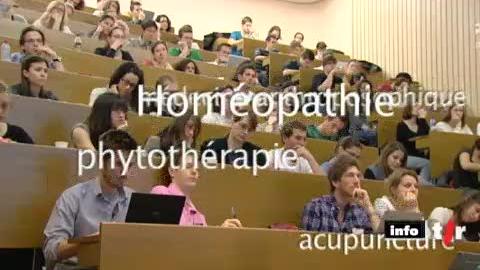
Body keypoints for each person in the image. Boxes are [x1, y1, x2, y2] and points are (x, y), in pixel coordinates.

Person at [43, 130, 137, 269]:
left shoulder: (133, 199)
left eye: (129, 165)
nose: (125, 173)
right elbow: (51, 250)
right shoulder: (73, 197)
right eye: (119, 164)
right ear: (101, 162)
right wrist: (89, 242)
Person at [151, 148, 242, 228]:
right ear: (172, 171)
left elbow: (203, 241)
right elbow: (174, 234)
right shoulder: (161, 192)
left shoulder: (199, 215)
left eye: (197, 169)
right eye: (189, 166)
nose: (194, 171)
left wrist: (222, 231)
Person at [301, 154, 380, 233]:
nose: (356, 181)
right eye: (350, 175)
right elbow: (307, 242)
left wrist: (369, 208)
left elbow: (386, 241)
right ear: (335, 182)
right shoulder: (316, 207)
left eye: (358, 176)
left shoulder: (361, 211)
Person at [200, 108, 267, 167]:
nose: (246, 132)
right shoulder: (213, 148)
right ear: (232, 122)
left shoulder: (258, 154)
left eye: (250, 130)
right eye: (243, 126)